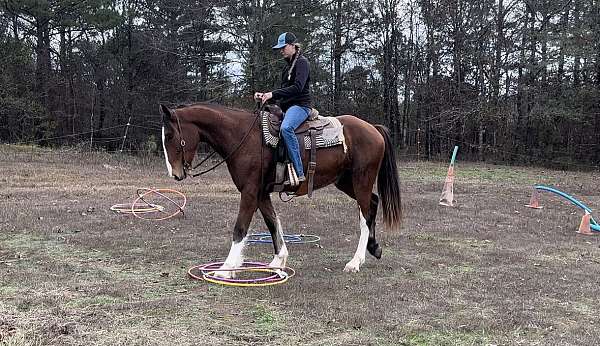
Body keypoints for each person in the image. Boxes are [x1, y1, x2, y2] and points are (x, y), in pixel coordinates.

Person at [254, 32, 311, 184]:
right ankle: (278, 169)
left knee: (286, 128)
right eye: (280, 48)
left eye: (283, 47)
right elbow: (283, 92)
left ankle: (299, 172)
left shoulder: (302, 63)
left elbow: (298, 88)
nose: (281, 50)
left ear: (293, 46)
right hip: (287, 107)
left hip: (300, 107)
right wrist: (265, 96)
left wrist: (272, 94)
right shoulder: (287, 68)